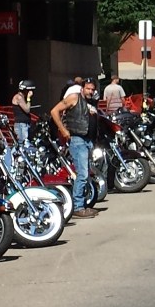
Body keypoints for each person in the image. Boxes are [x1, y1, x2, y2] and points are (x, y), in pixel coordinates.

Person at [51, 74, 99, 216]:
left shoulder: (92, 101)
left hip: (88, 140)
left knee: (86, 174)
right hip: (78, 139)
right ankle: (78, 207)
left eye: (92, 89)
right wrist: (63, 130)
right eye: (88, 88)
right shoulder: (74, 98)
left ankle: (82, 204)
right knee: (82, 174)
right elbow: (54, 111)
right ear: (82, 88)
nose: (90, 91)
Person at [10, 78, 36, 148]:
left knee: (25, 144)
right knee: (22, 145)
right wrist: (29, 98)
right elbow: (27, 109)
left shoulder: (22, 97)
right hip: (21, 125)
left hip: (25, 124)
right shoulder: (19, 97)